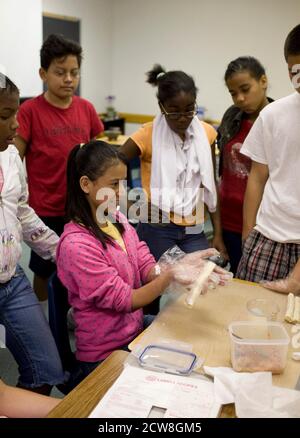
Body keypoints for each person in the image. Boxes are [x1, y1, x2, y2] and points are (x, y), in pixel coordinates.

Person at [56, 140, 223, 388]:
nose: (121, 192)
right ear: (86, 184)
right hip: (105, 352)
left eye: (123, 183)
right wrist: (170, 276)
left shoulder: (115, 218)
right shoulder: (76, 246)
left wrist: (174, 267)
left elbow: (144, 263)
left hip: (132, 331)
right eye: (114, 185)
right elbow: (126, 300)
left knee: (198, 340)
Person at [120, 64, 227, 313]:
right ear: (162, 108)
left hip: (194, 227)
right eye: (175, 112)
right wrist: (133, 204)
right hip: (158, 228)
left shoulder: (206, 134)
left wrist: (218, 233)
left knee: (201, 284)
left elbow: (210, 186)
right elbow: (113, 163)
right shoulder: (147, 134)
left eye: (189, 109)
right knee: (156, 288)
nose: (183, 118)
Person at [15, 34, 104, 301]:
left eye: (74, 73)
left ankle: (74, 313)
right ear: (43, 73)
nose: (68, 79)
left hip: (79, 206)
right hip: (45, 209)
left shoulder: (86, 108)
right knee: (44, 271)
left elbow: (97, 158)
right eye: (60, 72)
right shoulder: (29, 111)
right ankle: (43, 317)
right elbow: (13, 159)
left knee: (81, 265)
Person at [0, 74, 64, 394]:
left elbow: (22, 212)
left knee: (46, 370)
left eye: (15, 113)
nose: (15, 125)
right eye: (4, 116)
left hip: (11, 281)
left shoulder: (11, 155)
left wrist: (62, 251)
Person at [236, 24, 300, 283]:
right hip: (268, 239)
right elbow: (258, 177)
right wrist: (248, 233)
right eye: (293, 71)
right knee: (248, 314)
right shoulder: (273, 114)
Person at [217, 57, 272, 275]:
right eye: (233, 93)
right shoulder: (231, 116)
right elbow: (223, 172)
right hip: (228, 219)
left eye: (245, 89)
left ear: (263, 81)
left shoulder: (276, 118)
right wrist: (218, 231)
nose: (240, 98)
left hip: (262, 224)